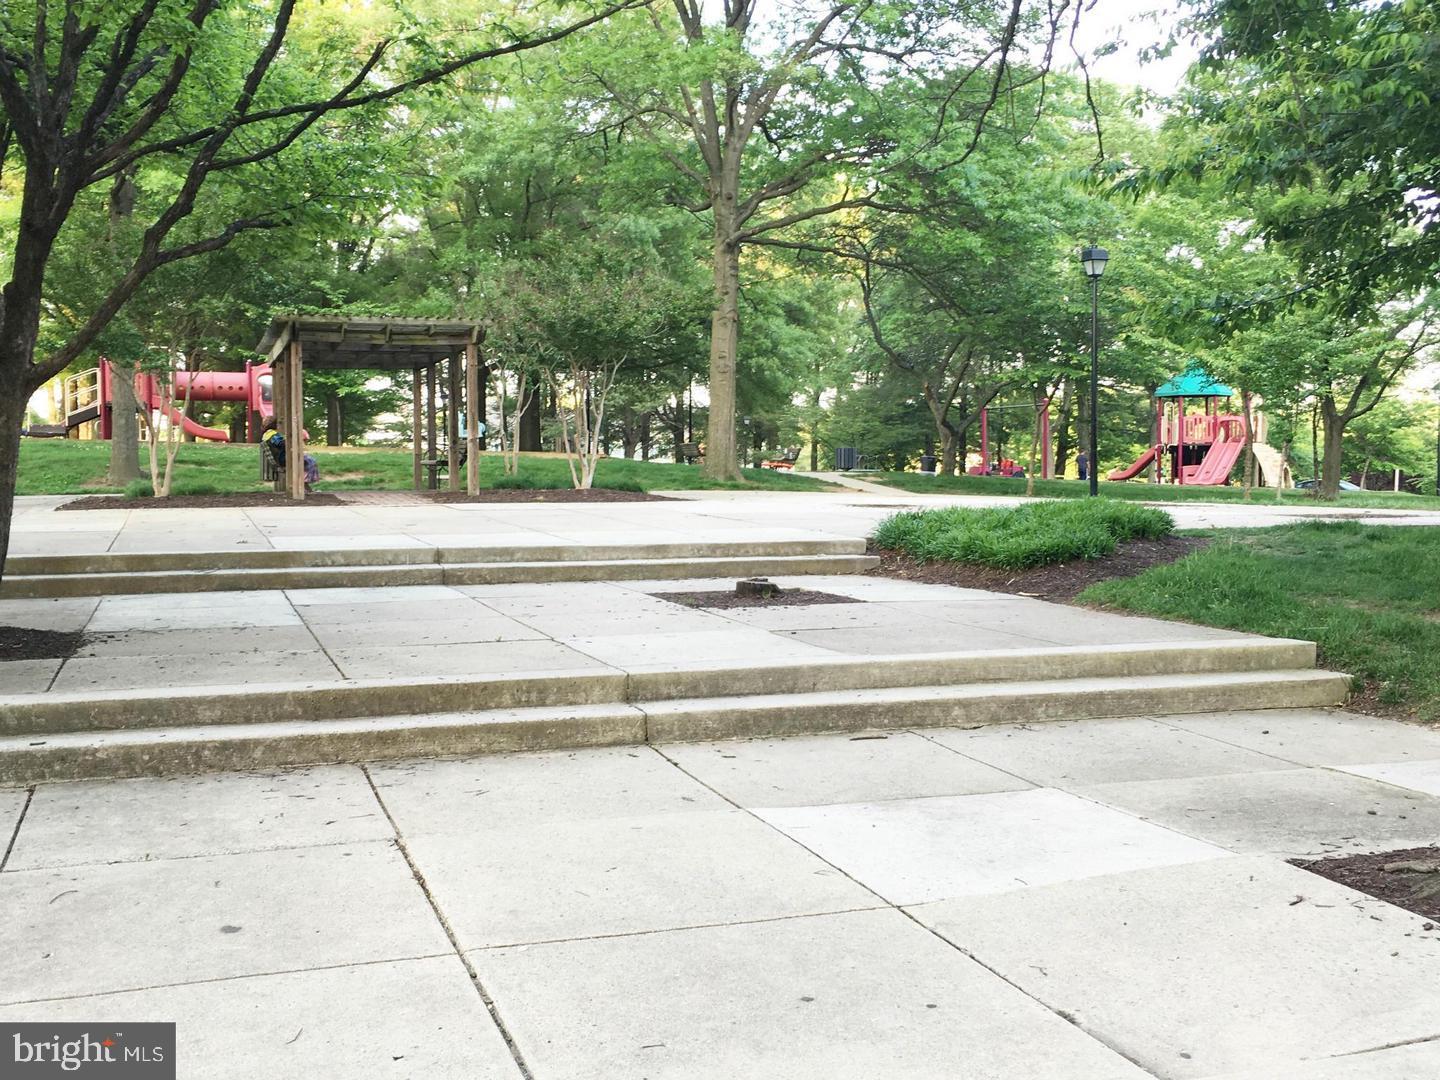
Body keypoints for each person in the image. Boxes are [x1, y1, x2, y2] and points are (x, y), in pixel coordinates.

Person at [262, 420, 319, 491]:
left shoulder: (268, 434)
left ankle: (305, 485)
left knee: (307, 460)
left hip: (281, 457)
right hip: (282, 458)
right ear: (275, 425)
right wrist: (291, 439)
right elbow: (282, 444)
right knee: (310, 461)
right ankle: (303, 483)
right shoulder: (272, 435)